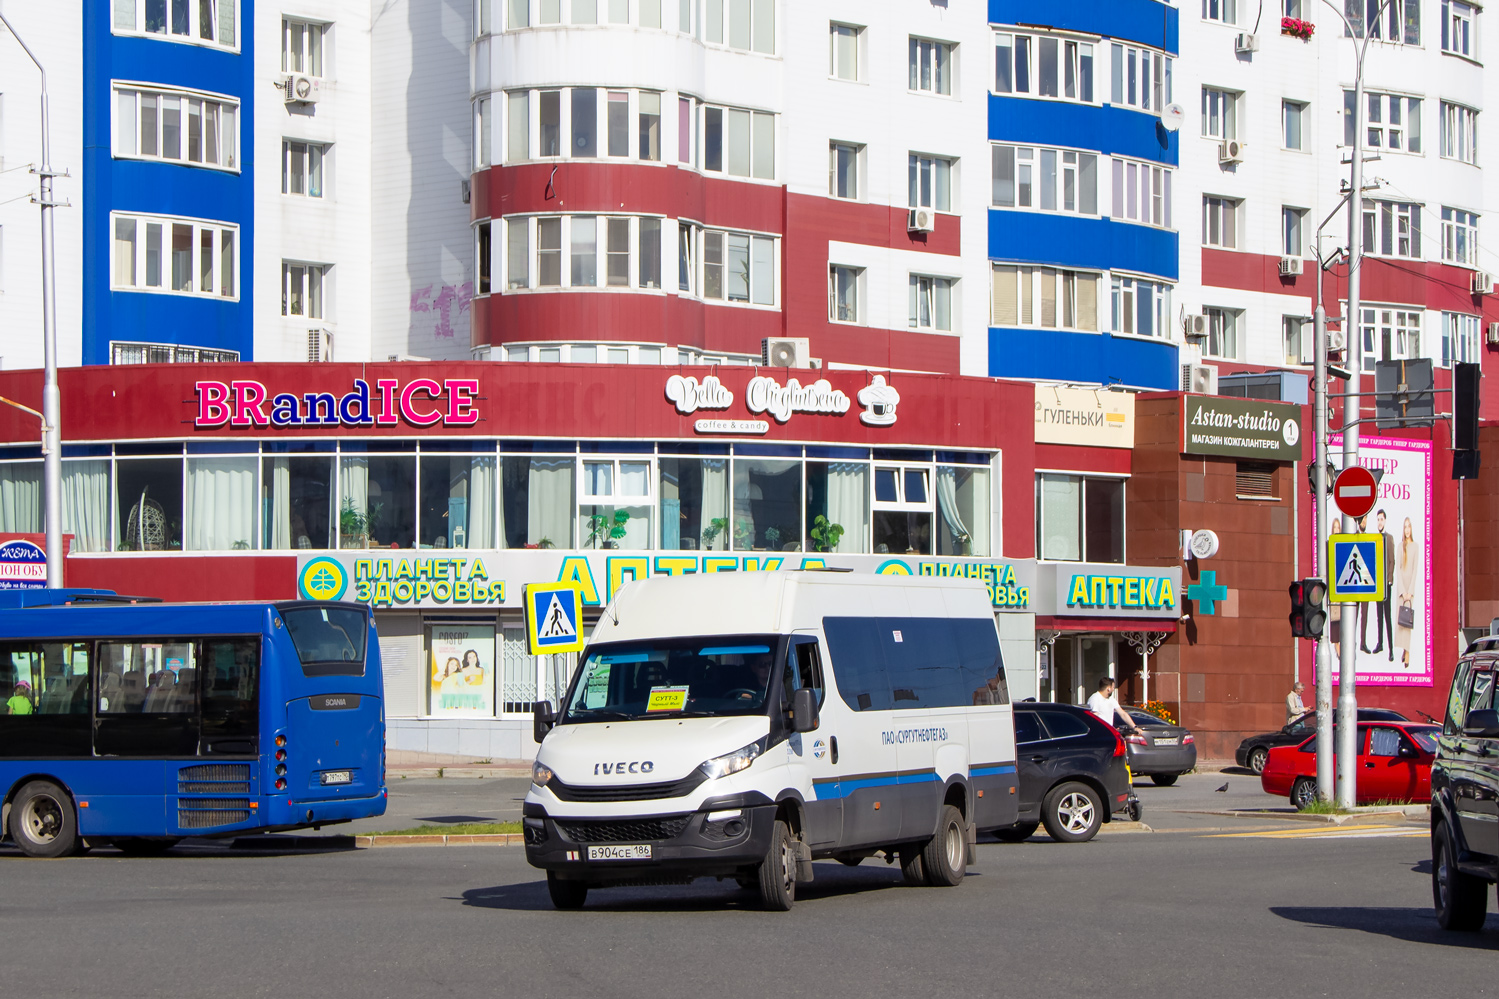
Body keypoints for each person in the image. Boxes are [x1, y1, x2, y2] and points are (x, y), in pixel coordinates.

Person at [1393, 516, 1420, 666]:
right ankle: (1403, 649)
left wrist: (1410, 592)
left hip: (1410, 590)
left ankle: (1407, 651)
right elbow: (1398, 569)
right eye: (1405, 527)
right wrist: (1403, 591)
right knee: (1400, 621)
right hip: (1401, 590)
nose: (1407, 529)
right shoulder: (1400, 546)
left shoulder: (1416, 546)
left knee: (1408, 621)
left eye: (1409, 526)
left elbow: (1415, 570)